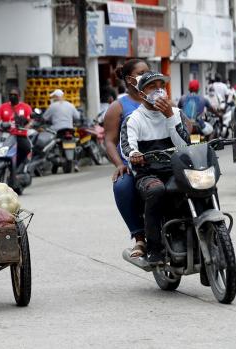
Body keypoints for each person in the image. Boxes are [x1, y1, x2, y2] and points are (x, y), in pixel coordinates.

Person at [120, 71, 190, 264]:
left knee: (198, 187)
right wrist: (134, 155)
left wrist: (169, 116)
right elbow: (127, 147)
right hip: (148, 173)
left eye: (161, 85)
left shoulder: (176, 114)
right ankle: (154, 248)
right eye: (152, 86)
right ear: (142, 93)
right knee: (157, 190)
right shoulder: (133, 119)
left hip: (176, 170)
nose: (159, 89)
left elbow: (185, 144)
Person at [103, 59, 149, 253]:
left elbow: (182, 123)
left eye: (149, 71)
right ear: (130, 79)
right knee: (122, 185)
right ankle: (139, 237)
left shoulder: (161, 98)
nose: (147, 76)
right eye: (141, 73)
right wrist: (119, 164)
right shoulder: (118, 106)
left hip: (164, 159)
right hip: (134, 163)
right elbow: (110, 141)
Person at [0, 87, 32, 166]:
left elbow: (30, 121)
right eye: (10, 95)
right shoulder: (3, 107)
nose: (12, 96)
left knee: (27, 148)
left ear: (19, 96)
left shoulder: (26, 107)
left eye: (15, 95)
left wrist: (27, 126)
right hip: (5, 135)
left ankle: (18, 164)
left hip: (19, 135)